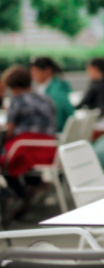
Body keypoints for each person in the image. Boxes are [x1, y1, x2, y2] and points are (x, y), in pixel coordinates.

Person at [0, 66, 56, 213]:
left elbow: (9, 130)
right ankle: (33, 188)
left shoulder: (17, 100)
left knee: (5, 159)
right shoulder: (45, 97)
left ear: (13, 87)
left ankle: (18, 195)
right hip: (50, 146)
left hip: (28, 146)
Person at [30, 57, 74, 132]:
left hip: (55, 134)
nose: (32, 76)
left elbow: (57, 121)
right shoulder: (58, 85)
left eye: (35, 71)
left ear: (47, 70)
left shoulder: (54, 92)